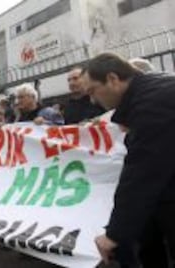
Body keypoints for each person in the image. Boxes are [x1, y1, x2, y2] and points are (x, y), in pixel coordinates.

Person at [83, 53, 175, 267]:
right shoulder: (153, 90)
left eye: (92, 90)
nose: (93, 100)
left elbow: (142, 175)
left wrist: (114, 235)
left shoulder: (151, 105)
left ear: (113, 79)